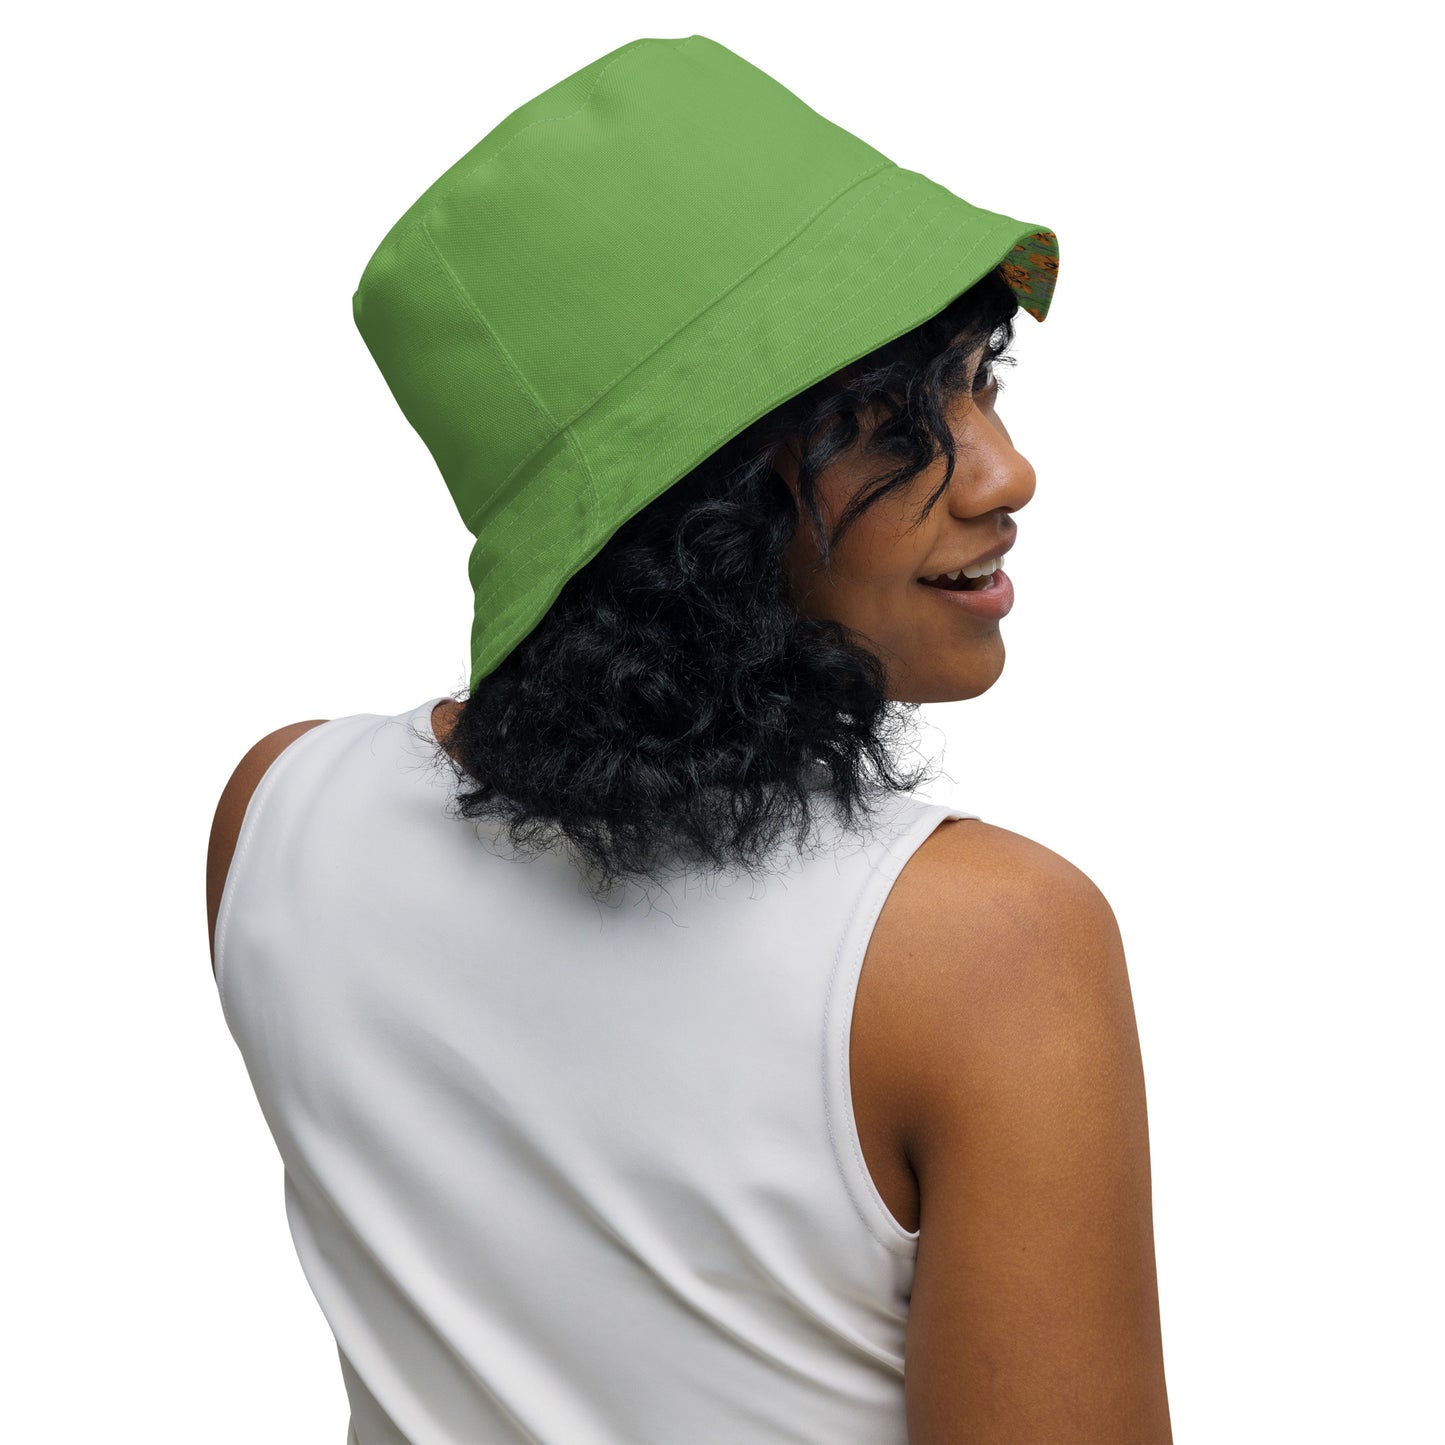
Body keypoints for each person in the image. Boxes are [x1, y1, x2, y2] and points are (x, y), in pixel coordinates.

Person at [207, 33, 1172, 1445]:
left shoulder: (278, 814)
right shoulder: (987, 945)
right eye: (894, 423)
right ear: (699, 511)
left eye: (986, 383)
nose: (1005, 472)